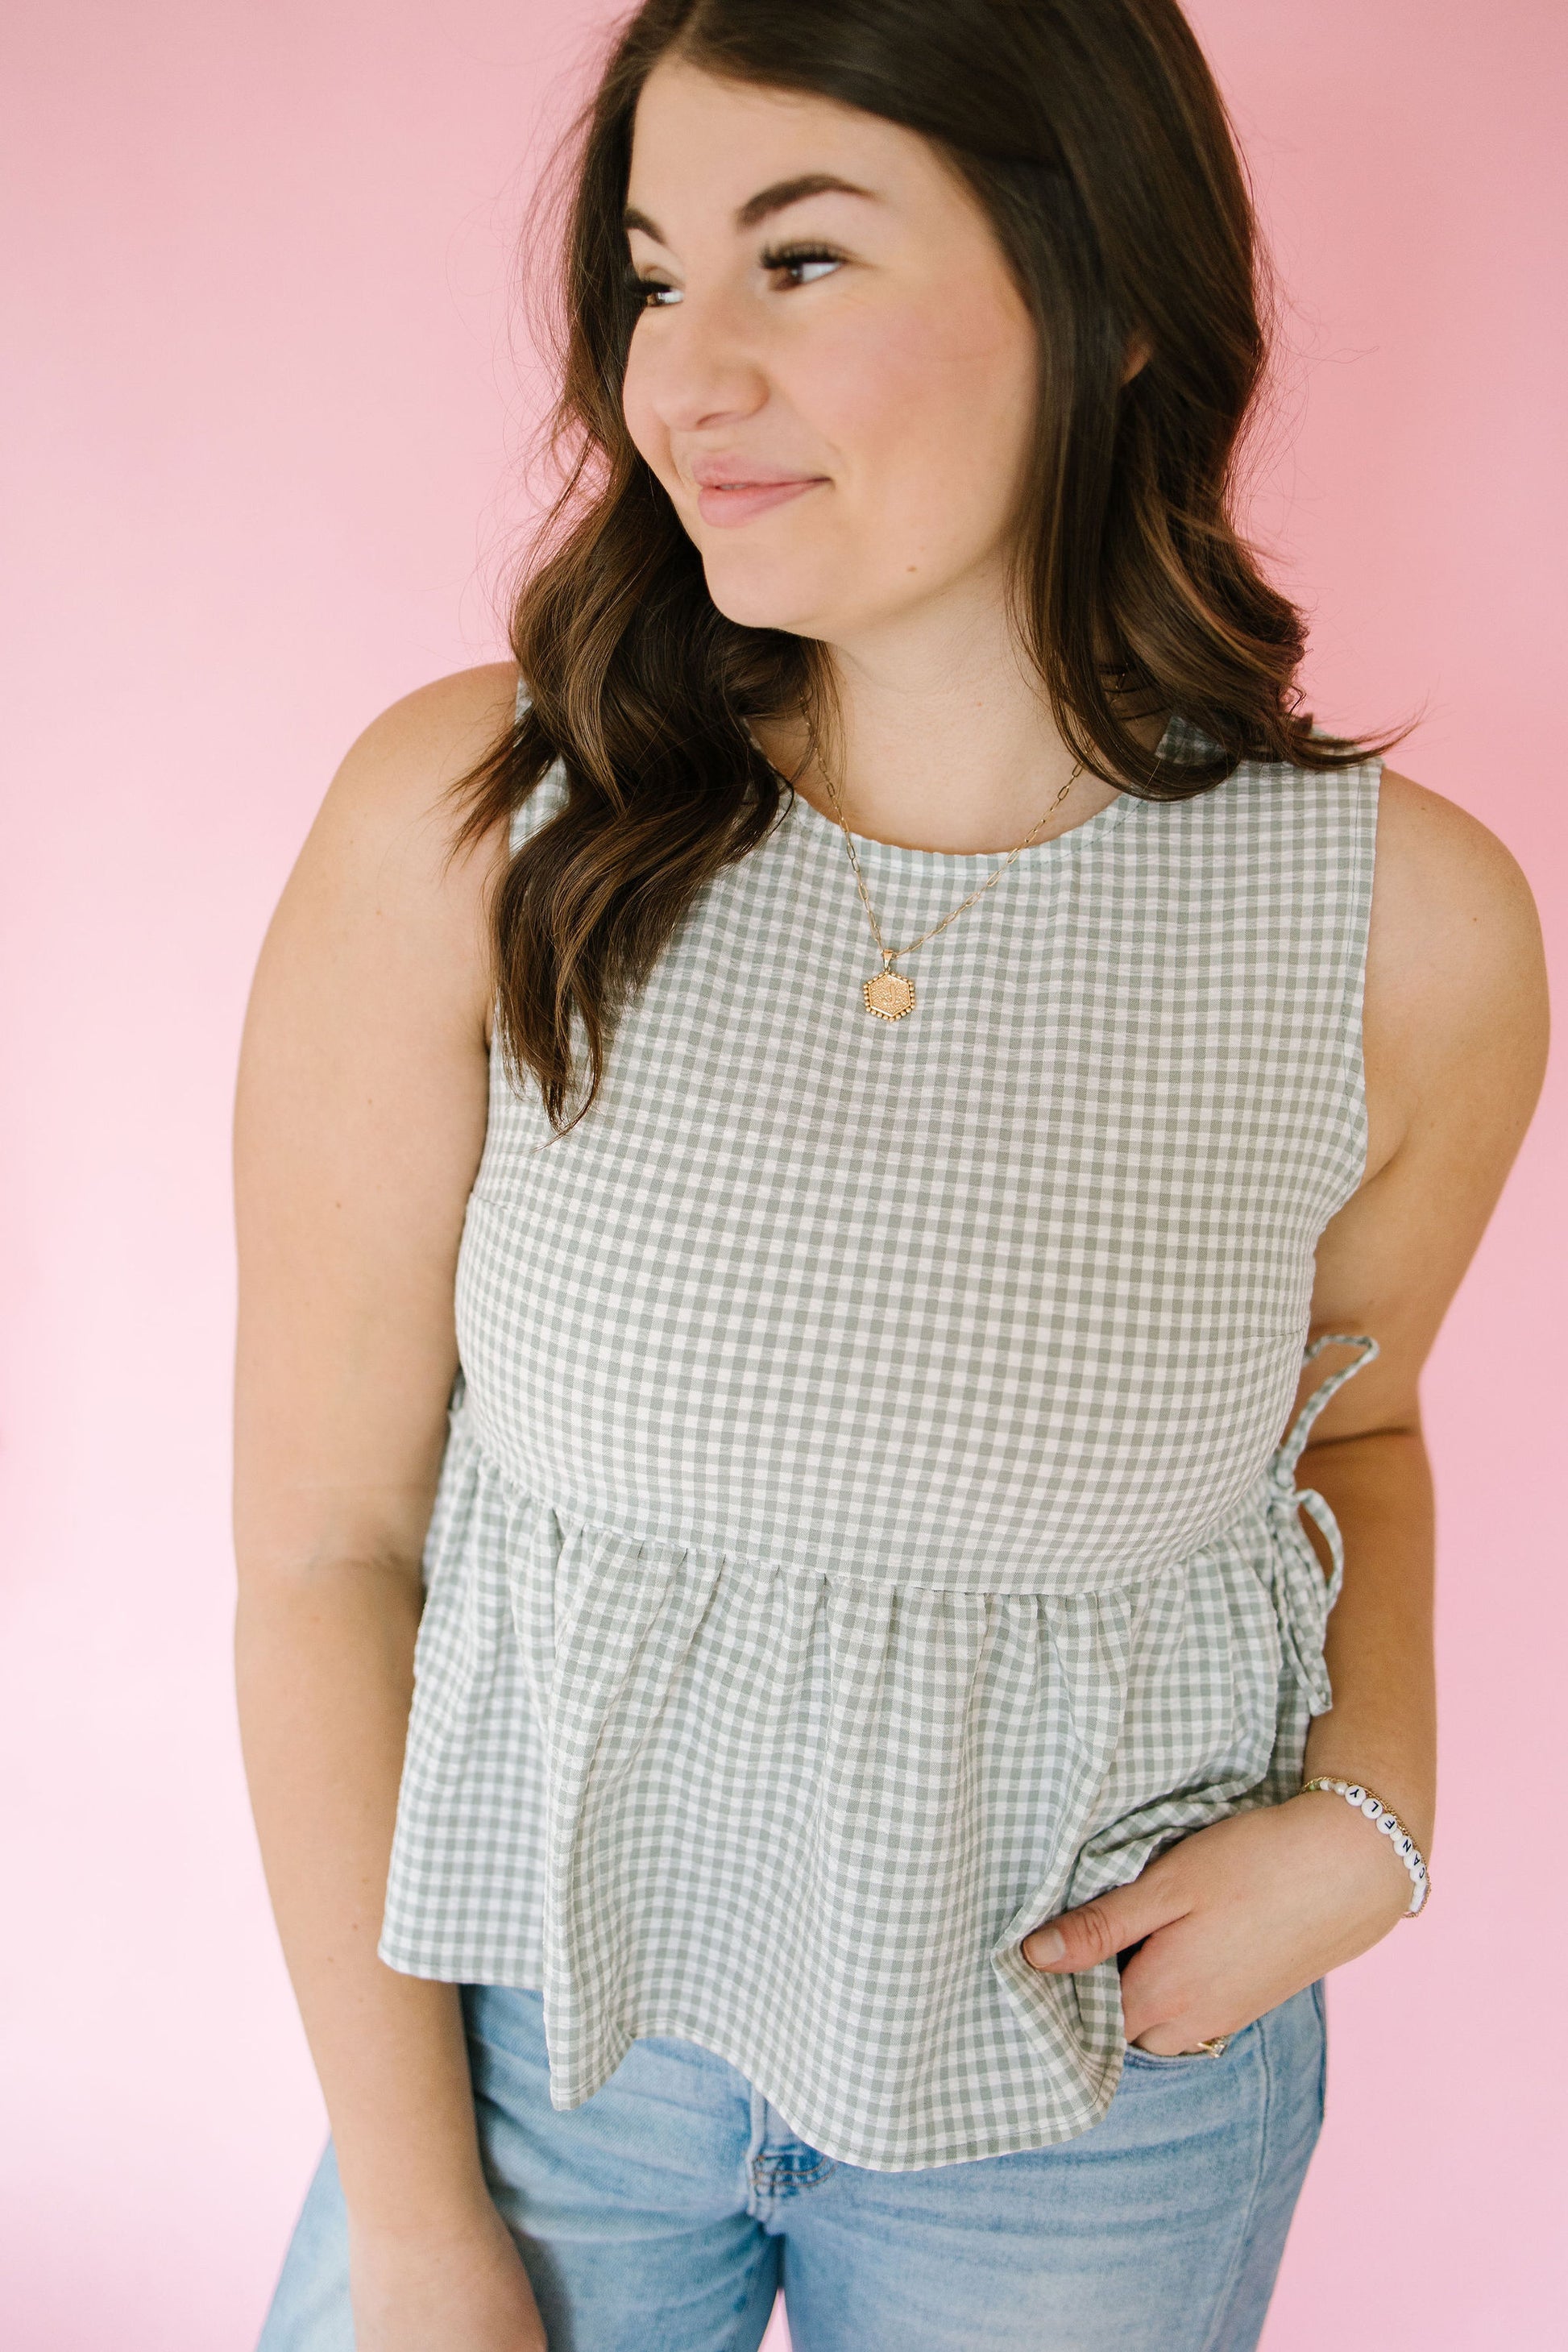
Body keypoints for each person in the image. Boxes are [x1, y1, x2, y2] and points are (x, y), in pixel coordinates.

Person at [234, 3, 1548, 2347]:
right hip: (544, 2054)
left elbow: (1344, 1428)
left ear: (1113, 297)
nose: (678, 379)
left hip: (1096, 2093)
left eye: (799, 262)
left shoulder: (1402, 930)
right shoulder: (479, 825)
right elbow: (333, 1551)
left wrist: (1373, 1821)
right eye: (650, 279)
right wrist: (428, 2228)